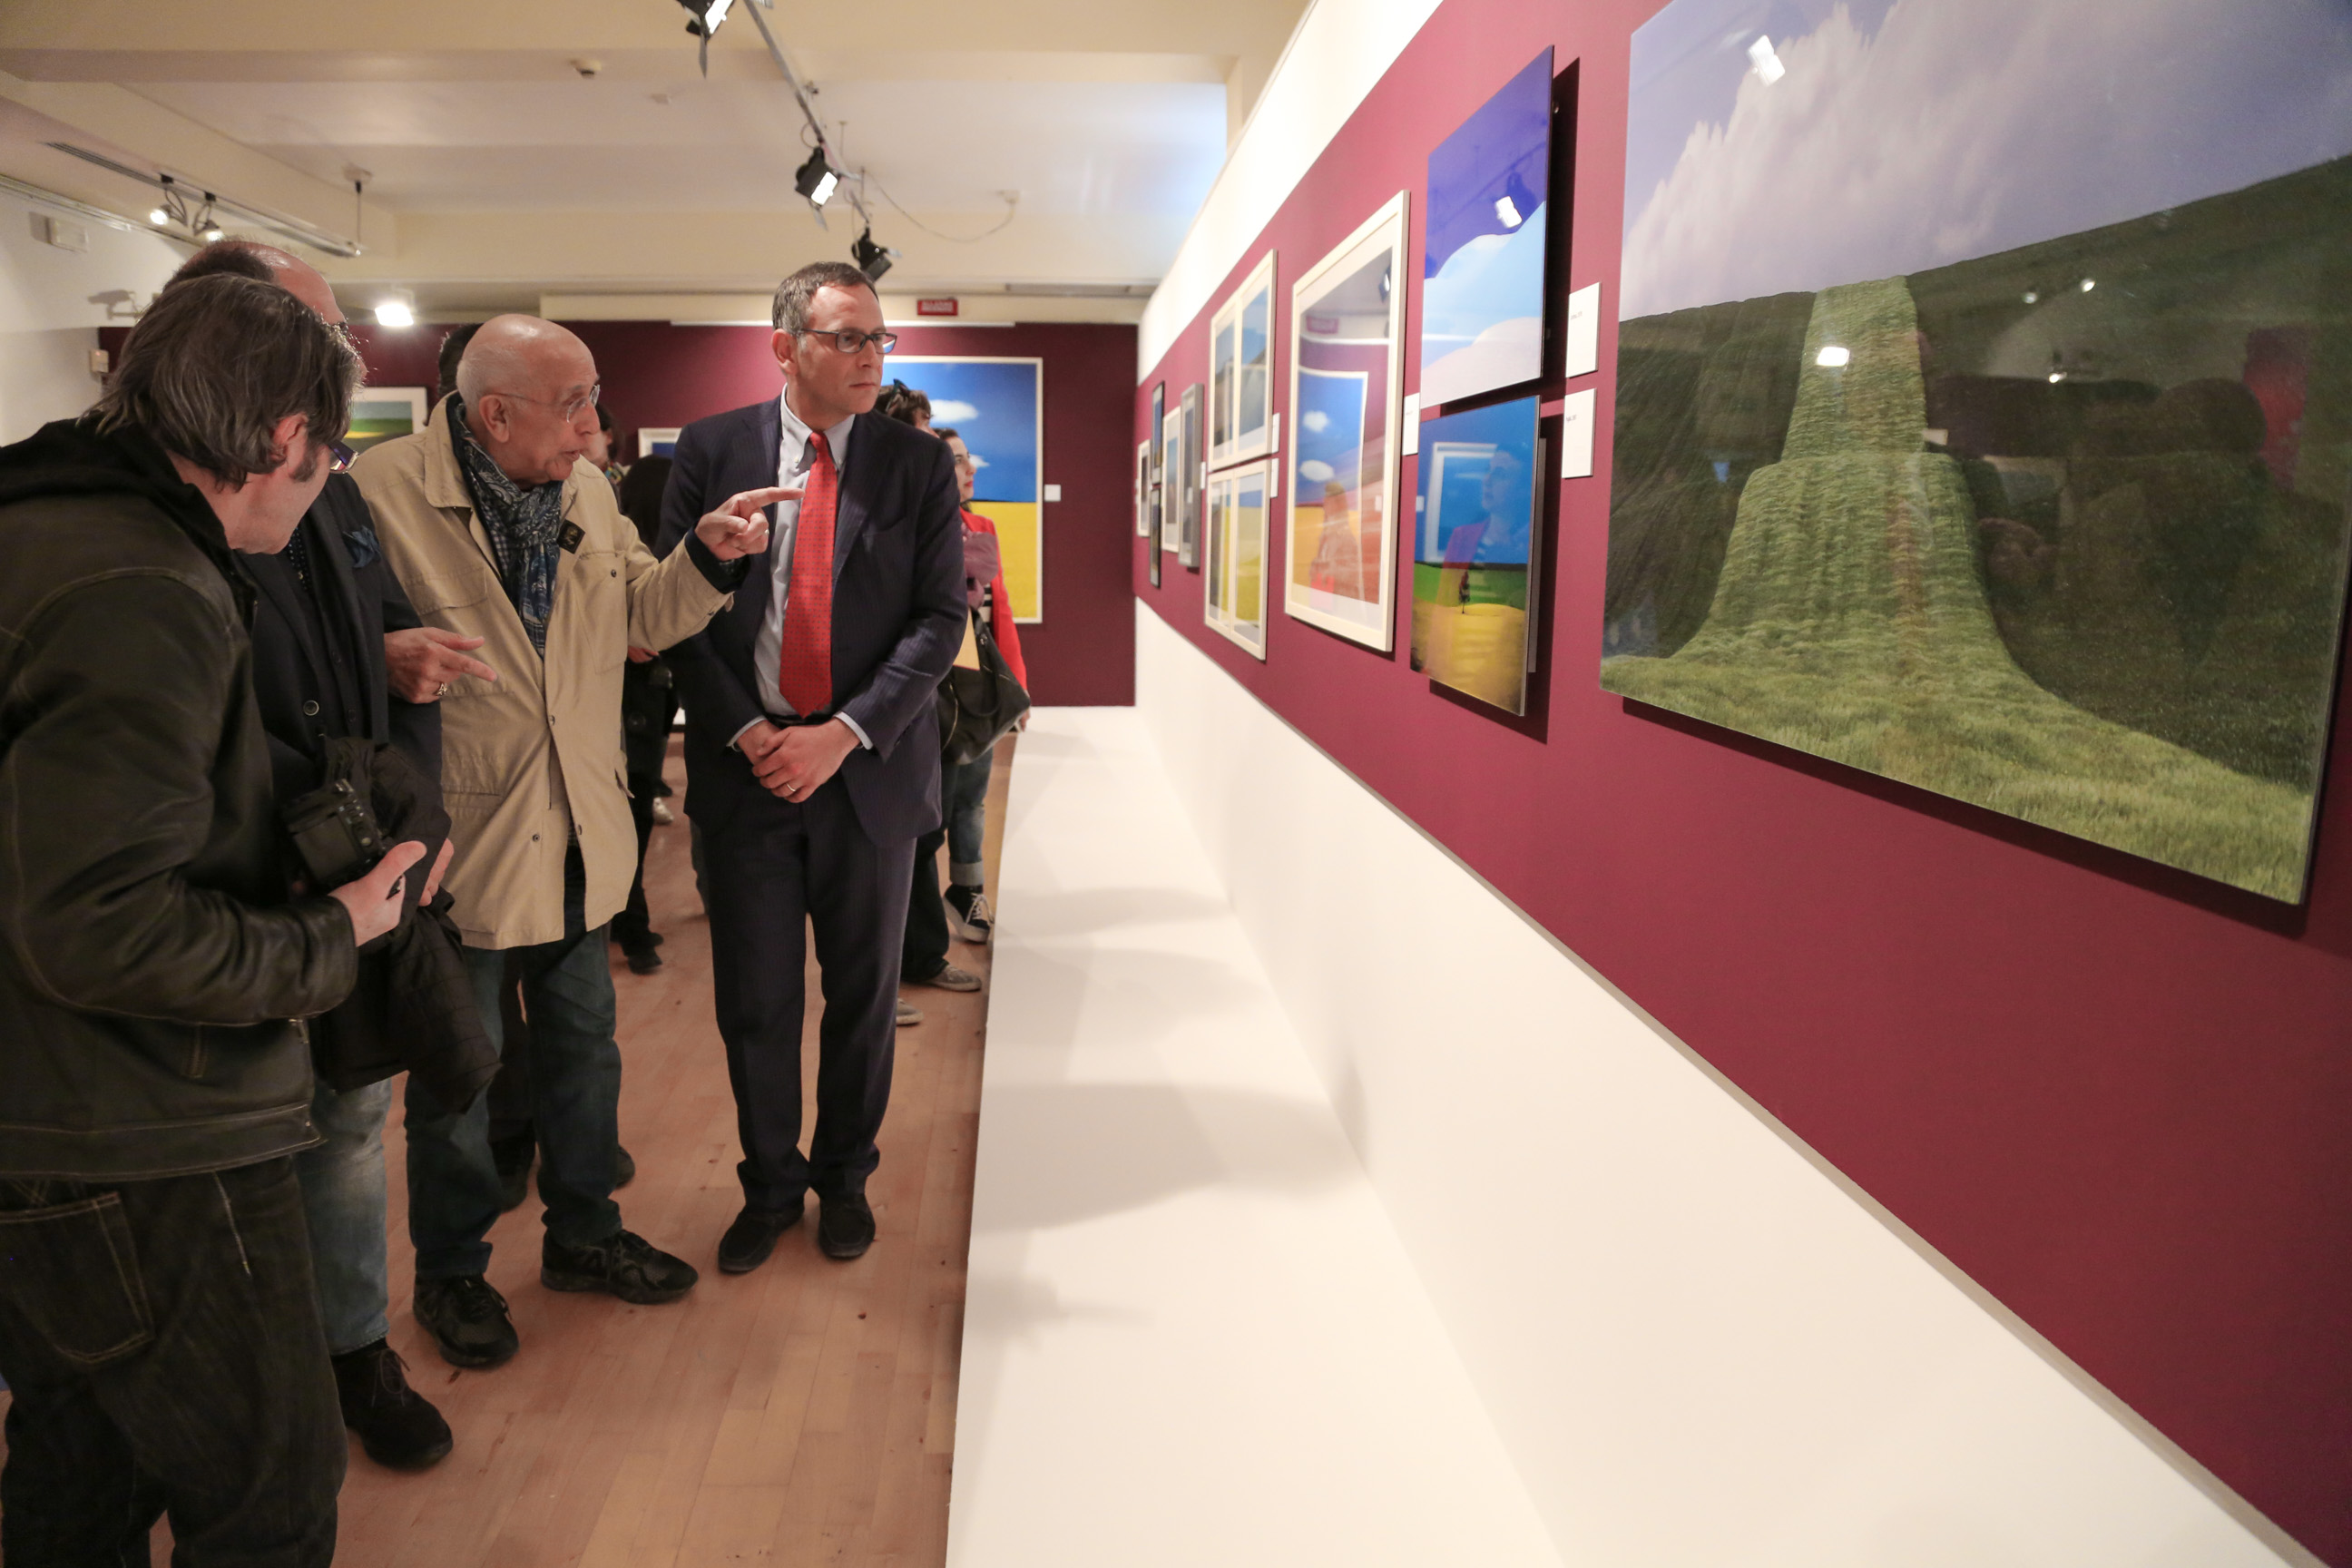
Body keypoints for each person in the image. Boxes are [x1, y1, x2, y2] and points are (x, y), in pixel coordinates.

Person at [0, 273, 421, 1565]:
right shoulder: (144, 584)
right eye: (326, 454)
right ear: (287, 439)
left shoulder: (47, 526)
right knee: (270, 1489)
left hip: (50, 1116)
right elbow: (99, 927)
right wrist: (335, 932)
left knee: (84, 1461)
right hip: (137, 1133)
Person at [352, 314, 773, 1368]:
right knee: (458, 1079)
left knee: (586, 1055)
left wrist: (707, 557)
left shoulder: (586, 491)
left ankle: (585, 1235)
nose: (594, 428)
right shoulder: (378, 491)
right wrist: (382, 650)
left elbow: (642, 617)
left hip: (583, 834)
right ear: (496, 414)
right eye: (575, 403)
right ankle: (453, 1274)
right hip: (460, 846)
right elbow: (321, 645)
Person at [160, 238, 467, 1470]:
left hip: (352, 876)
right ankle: (250, 1393)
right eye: (319, 331)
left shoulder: (332, 484)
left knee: (349, 1124)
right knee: (222, 1162)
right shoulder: (152, 521)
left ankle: (353, 1355)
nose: (342, 353)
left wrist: (417, 821)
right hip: (224, 900)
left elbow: (392, 647)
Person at [658, 260, 965, 1271]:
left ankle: (844, 1180)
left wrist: (842, 735)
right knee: (756, 1001)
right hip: (746, 773)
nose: (872, 356)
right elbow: (674, 608)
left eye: (880, 337)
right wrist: (749, 731)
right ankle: (769, 1187)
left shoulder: (913, 465)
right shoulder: (711, 450)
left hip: (865, 776)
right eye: (848, 338)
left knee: (863, 998)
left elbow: (938, 621)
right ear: (785, 348)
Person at [612, 456, 680, 972]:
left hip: (627, 699)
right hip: (644, 699)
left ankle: (628, 920)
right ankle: (632, 926)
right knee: (633, 810)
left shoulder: (623, 550)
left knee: (625, 810)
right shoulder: (666, 558)